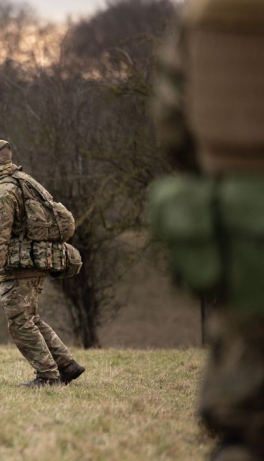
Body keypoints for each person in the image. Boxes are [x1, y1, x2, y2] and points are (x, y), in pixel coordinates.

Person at [151, 1, 264, 459]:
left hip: (245, 229)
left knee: (246, 415)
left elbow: (173, 126)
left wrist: (226, 178)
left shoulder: (217, 17)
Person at [0, 140, 85, 388]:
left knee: (20, 322)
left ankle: (47, 376)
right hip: (37, 260)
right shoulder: (24, 180)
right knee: (30, 317)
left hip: (20, 264)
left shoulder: (3, 191)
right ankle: (67, 366)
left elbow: (0, 235)